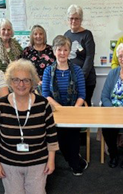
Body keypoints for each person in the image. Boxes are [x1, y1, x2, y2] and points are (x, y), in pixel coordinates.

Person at [0, 59, 58, 194]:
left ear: (32, 81)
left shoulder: (42, 104)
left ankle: (31, 184)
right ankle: (17, 186)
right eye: (16, 80)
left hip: (37, 160)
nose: (21, 84)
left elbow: (51, 135)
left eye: (26, 80)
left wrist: (51, 161)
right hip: (9, 161)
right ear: (10, 82)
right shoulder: (0, 106)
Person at [41, 35, 88, 176]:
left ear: (69, 51)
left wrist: (73, 111)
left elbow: (82, 95)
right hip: (55, 111)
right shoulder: (48, 71)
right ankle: (76, 160)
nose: (62, 53)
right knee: (60, 138)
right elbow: (46, 94)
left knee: (72, 136)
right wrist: (61, 110)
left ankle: (74, 162)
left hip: (74, 110)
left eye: (65, 50)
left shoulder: (77, 70)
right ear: (54, 51)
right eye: (59, 49)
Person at [64, 4, 96, 106]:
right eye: (71, 18)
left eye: (77, 19)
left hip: (86, 79)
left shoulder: (87, 35)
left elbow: (89, 57)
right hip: (70, 79)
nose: (73, 21)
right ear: (68, 19)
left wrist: (80, 78)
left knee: (85, 106)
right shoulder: (66, 35)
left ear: (81, 20)